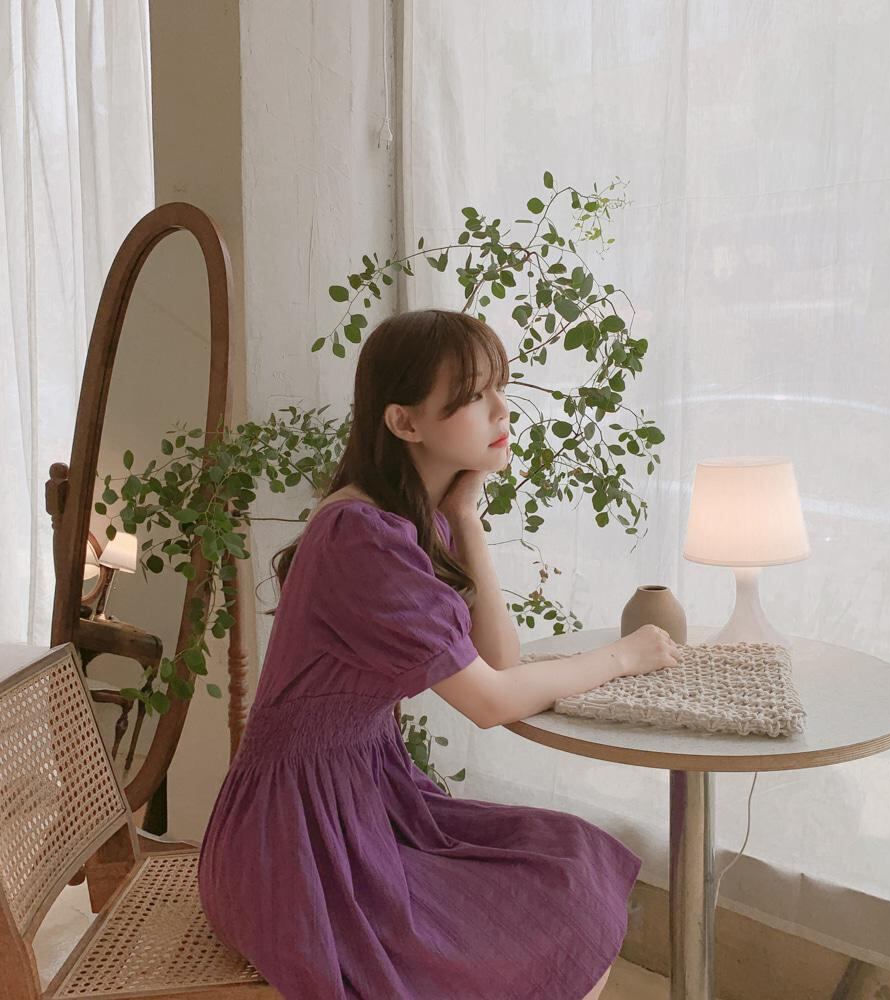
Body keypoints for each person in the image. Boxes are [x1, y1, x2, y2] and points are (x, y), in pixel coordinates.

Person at [197, 308, 679, 999]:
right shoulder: (359, 536)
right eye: (475, 395)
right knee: (552, 909)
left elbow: (501, 660)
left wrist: (465, 515)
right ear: (405, 422)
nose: (502, 409)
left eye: (500, 387)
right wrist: (623, 656)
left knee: (569, 866)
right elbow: (490, 700)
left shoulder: (407, 518)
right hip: (292, 840)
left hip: (360, 799)